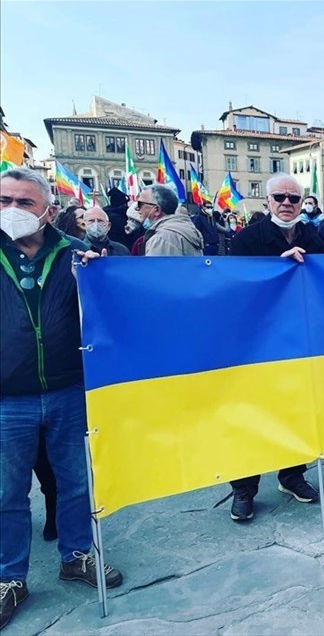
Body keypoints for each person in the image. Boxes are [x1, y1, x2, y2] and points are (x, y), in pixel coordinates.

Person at [0, 168, 123, 630]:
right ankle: (9, 577)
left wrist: (102, 274)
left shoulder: (78, 256)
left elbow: (123, 305)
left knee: (75, 484)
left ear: (48, 210)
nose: (11, 209)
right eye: (3, 199)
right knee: (7, 493)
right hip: (7, 397)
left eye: (24, 202)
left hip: (69, 390)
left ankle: (76, 556)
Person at [227, 174, 324, 522]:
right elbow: (233, 285)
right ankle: (243, 488)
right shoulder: (246, 240)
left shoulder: (316, 237)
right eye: (280, 197)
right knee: (251, 414)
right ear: (267, 201)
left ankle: (292, 474)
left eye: (294, 198)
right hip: (255, 343)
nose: (287, 203)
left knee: (296, 409)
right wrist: (276, 270)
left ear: (303, 203)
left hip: (300, 340)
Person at [136, 185, 203, 256]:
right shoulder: (180, 229)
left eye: (140, 204)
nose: (136, 208)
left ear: (157, 210)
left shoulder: (162, 239)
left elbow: (155, 266)